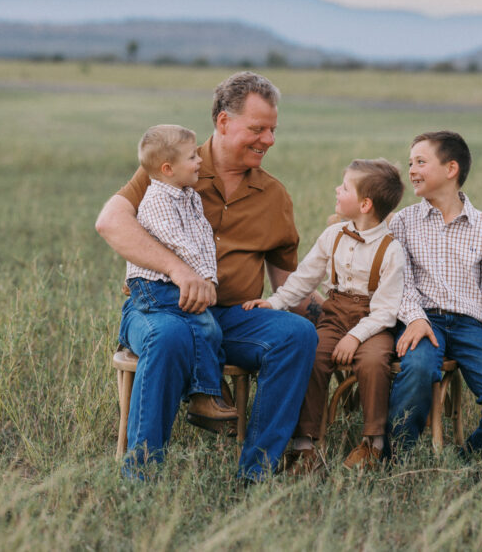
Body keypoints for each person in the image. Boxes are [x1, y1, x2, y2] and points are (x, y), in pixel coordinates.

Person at [95, 72, 319, 483]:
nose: (268, 139)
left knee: (297, 334)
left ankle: (256, 472)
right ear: (223, 122)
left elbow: (291, 283)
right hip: (159, 308)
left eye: (272, 130)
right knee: (171, 336)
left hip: (233, 317)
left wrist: (351, 315)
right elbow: (110, 222)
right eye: (257, 129)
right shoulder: (170, 165)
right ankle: (140, 477)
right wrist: (178, 270)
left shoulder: (274, 196)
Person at [243, 159, 405, 473]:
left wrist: (355, 336)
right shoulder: (333, 235)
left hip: (373, 324)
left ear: (364, 204)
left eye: (344, 187)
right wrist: (275, 303)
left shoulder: (392, 249)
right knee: (312, 356)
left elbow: (387, 311)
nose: (337, 189)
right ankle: (307, 446)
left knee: (373, 363)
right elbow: (304, 278)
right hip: (334, 316)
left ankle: (373, 443)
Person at [387, 131, 482, 457]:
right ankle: (397, 457)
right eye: (410, 163)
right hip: (422, 319)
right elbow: (398, 282)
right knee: (419, 369)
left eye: (421, 162)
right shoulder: (403, 222)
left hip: (468, 327)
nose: (412, 170)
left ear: (451, 169)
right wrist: (416, 319)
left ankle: (471, 459)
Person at [122, 124, 237, 428]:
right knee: (198, 322)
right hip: (154, 285)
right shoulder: (157, 199)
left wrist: (210, 279)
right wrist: (199, 277)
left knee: (208, 325)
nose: (200, 160)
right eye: (192, 157)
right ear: (168, 169)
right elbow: (177, 242)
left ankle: (206, 393)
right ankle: (205, 395)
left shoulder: (190, 197)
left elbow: (203, 239)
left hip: (180, 282)